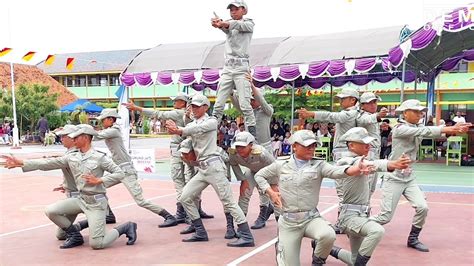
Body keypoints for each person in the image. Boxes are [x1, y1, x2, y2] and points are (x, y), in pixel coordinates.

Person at [2, 124, 137, 249]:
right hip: (81, 200)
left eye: (76, 137)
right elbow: (48, 163)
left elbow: (120, 173)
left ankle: (126, 227)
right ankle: (76, 235)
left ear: (85, 138)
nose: (73, 140)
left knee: (97, 244)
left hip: (96, 203)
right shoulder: (72, 157)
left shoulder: (99, 158)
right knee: (51, 211)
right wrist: (21, 163)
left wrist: (100, 180)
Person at [254, 130, 375, 266]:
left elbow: (337, 172)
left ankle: (317, 261)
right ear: (295, 146)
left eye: (314, 145)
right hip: (289, 223)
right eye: (307, 145)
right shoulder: (281, 165)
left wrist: (356, 169)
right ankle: (282, 249)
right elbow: (259, 176)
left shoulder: (319, 165)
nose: (311, 148)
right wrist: (270, 192)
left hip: (310, 219)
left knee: (328, 235)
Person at [369, 99, 472, 252]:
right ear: (405, 113)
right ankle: (359, 224)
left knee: (422, 207)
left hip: (408, 177)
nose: (420, 114)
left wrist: (453, 131)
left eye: (420, 111)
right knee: (385, 217)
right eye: (416, 111)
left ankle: (413, 238)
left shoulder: (417, 127)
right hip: (394, 177)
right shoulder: (399, 128)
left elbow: (428, 133)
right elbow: (424, 132)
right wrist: (448, 129)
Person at [166, 94, 255, 247]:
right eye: (192, 106)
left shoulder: (211, 121)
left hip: (214, 167)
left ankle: (246, 235)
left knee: (229, 203)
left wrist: (178, 130)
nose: (193, 109)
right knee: (185, 197)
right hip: (202, 169)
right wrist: (179, 132)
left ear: (206, 107)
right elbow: (190, 131)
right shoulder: (193, 122)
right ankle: (200, 231)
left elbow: (195, 129)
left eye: (197, 106)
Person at [327, 127, 411, 266]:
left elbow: (370, 165)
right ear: (351, 145)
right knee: (377, 230)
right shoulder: (345, 161)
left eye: (369, 143)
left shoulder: (364, 161)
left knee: (354, 260)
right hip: (349, 217)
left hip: (362, 215)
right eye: (364, 143)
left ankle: (325, 248)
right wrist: (391, 164)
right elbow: (368, 165)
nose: (368, 146)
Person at [124, 95, 213, 224]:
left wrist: (137, 108)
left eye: (176, 100)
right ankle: (196, 210)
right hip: (191, 151)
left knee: (179, 181)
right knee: (192, 180)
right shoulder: (193, 116)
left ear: (183, 102)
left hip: (179, 151)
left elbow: (158, 113)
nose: (174, 102)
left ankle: (182, 213)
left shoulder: (178, 113)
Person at [94, 108, 178, 228]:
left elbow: (95, 136)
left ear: (110, 119)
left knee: (140, 201)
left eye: (103, 120)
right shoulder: (110, 130)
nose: (101, 122)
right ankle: (108, 215)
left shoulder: (113, 131)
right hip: (119, 171)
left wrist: (79, 132)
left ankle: (169, 216)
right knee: (97, 187)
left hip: (126, 171)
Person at [211, 0, 257, 138]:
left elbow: (236, 25)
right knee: (218, 104)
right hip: (228, 67)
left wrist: (223, 23)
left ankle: (252, 138)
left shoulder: (249, 23)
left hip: (241, 67)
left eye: (236, 9)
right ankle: (211, 133)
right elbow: (225, 27)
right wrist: (218, 24)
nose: (233, 11)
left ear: (244, 10)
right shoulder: (229, 23)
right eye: (231, 9)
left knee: (245, 104)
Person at [228, 131, 276, 230]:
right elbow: (233, 164)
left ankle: (263, 216)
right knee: (244, 192)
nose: (239, 149)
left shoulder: (262, 153)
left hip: (266, 171)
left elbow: (274, 167)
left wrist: (273, 184)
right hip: (252, 171)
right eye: (237, 146)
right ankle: (241, 223)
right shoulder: (233, 153)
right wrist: (242, 179)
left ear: (251, 145)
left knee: (264, 192)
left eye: (243, 147)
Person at [231, 74, 275, 155]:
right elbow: (237, 105)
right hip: (250, 146)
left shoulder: (267, 110)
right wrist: (230, 93)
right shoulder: (248, 111)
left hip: (265, 146)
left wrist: (251, 85)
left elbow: (262, 101)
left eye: (253, 100)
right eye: (250, 100)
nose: (251, 102)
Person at [356, 92, 388, 196]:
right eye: (370, 103)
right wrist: (378, 115)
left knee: (371, 187)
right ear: (362, 105)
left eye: (375, 102)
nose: (373, 105)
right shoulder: (361, 116)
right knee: (366, 185)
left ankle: (365, 210)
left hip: (375, 153)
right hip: (368, 154)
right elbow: (365, 120)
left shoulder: (371, 116)